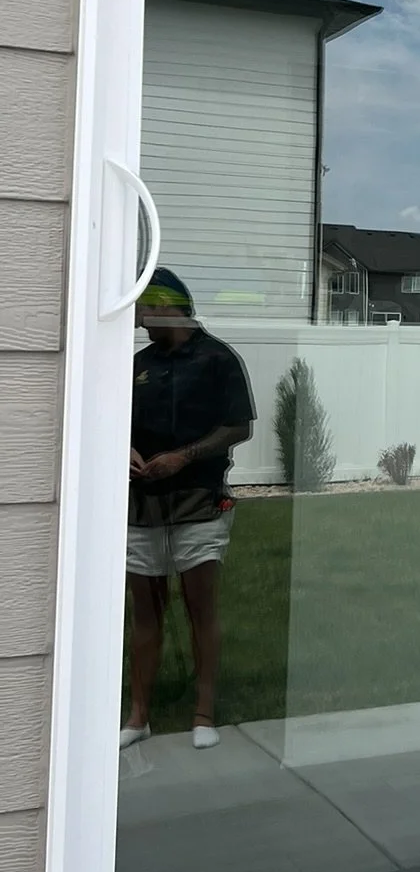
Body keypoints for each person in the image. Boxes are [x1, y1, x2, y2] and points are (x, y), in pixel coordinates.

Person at [121, 269, 254, 751]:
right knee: (146, 611)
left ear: (163, 307)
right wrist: (126, 449)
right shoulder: (137, 364)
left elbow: (238, 427)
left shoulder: (217, 360)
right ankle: (139, 717)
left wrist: (187, 455)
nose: (137, 321)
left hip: (199, 500)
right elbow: (116, 419)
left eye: (141, 310)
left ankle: (204, 713)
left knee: (201, 608)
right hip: (141, 504)